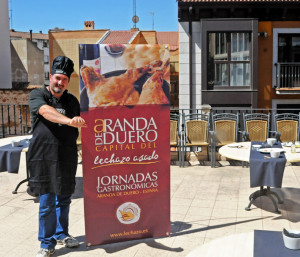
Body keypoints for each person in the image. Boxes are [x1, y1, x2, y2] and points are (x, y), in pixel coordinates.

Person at [28, 56, 86, 257]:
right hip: (43, 156)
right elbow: (45, 112)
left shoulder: (72, 101)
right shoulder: (38, 95)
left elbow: (81, 123)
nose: (60, 83)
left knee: (64, 198)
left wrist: (77, 121)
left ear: (68, 82)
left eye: (64, 80)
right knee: (47, 202)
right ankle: (46, 242)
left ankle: (62, 234)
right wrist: (70, 121)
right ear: (50, 77)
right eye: (57, 78)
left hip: (66, 154)